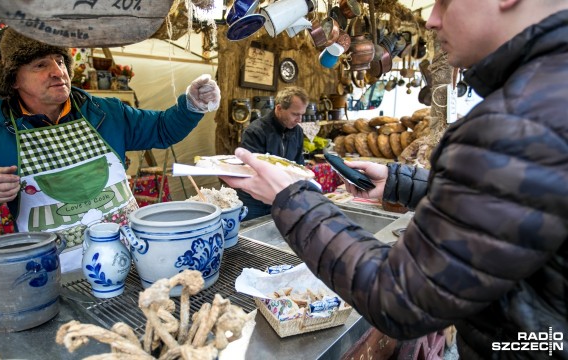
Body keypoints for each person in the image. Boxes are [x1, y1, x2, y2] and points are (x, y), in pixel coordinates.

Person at [222, 1, 568, 358]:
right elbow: (510, 206)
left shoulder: (518, 119)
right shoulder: (545, 96)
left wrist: (292, 197)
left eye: (445, 2)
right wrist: (404, 183)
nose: (432, 20)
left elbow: (400, 298)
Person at [0, 28, 221, 241]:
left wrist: (191, 106)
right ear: (13, 79)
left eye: (59, 60)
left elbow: (161, 129)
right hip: (51, 274)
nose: (58, 71)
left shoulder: (106, 113)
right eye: (41, 65)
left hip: (128, 253)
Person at [238, 86, 308, 220]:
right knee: (253, 236)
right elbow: (252, 171)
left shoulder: (297, 131)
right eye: (295, 114)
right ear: (279, 108)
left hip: (283, 196)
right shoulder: (255, 131)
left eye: (302, 114)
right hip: (255, 200)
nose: (299, 120)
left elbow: (299, 164)